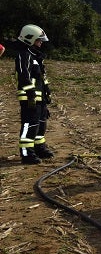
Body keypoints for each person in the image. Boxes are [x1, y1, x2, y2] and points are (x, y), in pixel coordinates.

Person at [15, 24, 54, 165]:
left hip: (40, 97)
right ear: (29, 39)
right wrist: (30, 93)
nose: (41, 42)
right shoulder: (23, 56)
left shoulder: (36, 56)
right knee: (29, 125)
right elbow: (23, 75)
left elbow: (42, 78)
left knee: (41, 124)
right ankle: (27, 154)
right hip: (29, 97)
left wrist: (47, 93)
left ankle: (39, 148)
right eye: (39, 40)